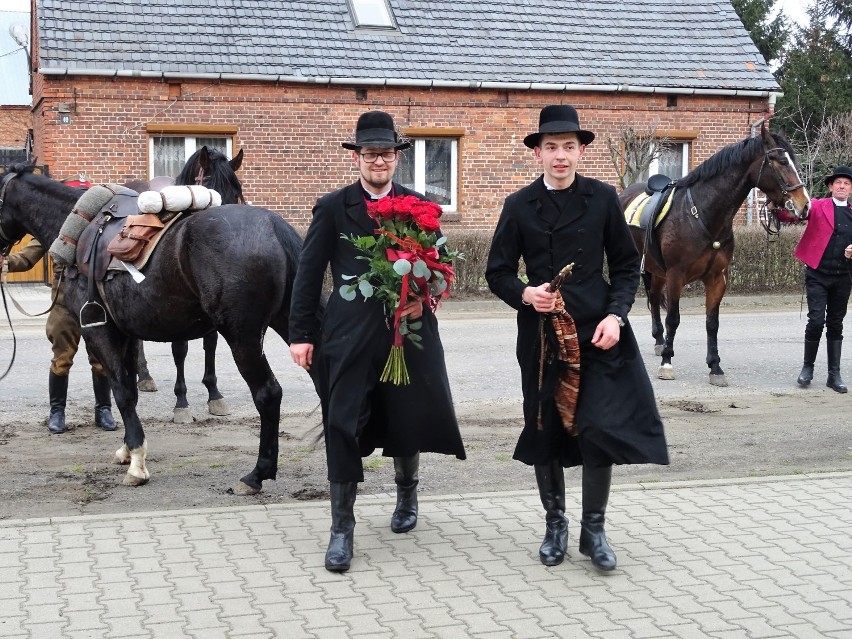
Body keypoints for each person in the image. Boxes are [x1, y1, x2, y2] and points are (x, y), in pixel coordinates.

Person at [485, 104, 669, 571]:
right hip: (543, 337)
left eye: (569, 147)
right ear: (538, 154)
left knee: (598, 428)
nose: (560, 156)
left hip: (598, 332)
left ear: (581, 151)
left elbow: (628, 267)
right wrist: (526, 294)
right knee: (545, 428)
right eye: (552, 148)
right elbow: (497, 272)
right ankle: (555, 525)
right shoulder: (518, 206)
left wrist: (617, 316)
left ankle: (594, 530)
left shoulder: (604, 198)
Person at [288, 110, 466, 573]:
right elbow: (307, 276)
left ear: (396, 157)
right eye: (370, 154)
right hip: (348, 335)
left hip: (407, 333)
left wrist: (421, 299)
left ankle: (407, 496)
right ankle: (341, 529)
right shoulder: (333, 207)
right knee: (343, 423)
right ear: (358, 159)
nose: (378, 161)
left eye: (385, 154)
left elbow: (441, 268)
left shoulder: (419, 204)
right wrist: (301, 334)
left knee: (406, 414)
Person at [1, 237, 117, 434]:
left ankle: (104, 409)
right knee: (61, 359)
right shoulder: (57, 226)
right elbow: (27, 257)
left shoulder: (98, 220)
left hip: (95, 301)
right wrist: (6, 263)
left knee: (101, 360)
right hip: (63, 302)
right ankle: (57, 412)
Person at [793, 166, 852, 393]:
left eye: (846, 184)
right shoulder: (817, 206)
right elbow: (795, 213)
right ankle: (807, 368)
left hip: (843, 277)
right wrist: (776, 208)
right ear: (830, 186)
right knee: (816, 321)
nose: (842, 186)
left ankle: (833, 374)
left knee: (836, 324)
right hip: (818, 274)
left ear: (850, 189)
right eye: (838, 183)